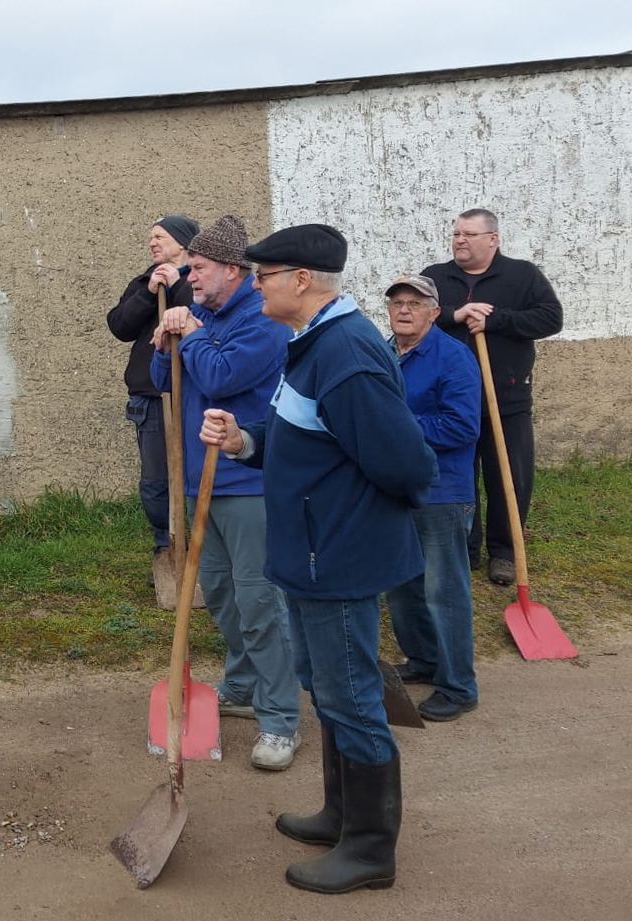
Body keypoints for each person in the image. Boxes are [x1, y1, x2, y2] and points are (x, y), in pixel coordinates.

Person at [199, 224, 436, 894]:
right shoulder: (313, 343)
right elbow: (307, 432)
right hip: (311, 553)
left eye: (263, 274)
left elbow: (407, 463)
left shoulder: (347, 354)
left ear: (301, 281)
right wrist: (247, 438)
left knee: (352, 694)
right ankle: (341, 813)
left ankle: (369, 849)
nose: (253, 284)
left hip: (335, 557)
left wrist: (350, 525)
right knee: (326, 685)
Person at [149, 215, 298, 770]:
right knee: (218, 589)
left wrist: (190, 334)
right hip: (197, 481)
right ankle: (242, 681)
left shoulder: (262, 321)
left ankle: (281, 717)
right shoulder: (201, 315)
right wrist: (166, 344)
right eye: (190, 268)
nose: (190, 276)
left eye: (201, 268)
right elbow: (161, 383)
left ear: (233, 270)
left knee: (260, 600)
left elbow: (221, 376)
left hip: (247, 482)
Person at [423, 208, 562, 585]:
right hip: (448, 403)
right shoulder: (435, 277)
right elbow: (414, 314)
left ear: (492, 239)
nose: (459, 240)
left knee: (509, 478)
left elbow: (551, 318)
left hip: (506, 397)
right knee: (457, 476)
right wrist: (455, 314)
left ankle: (503, 552)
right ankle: (464, 549)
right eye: (455, 234)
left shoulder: (521, 276)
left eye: (468, 234)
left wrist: (496, 319)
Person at [382, 274, 482, 722]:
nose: (404, 309)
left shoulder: (453, 357)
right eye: (397, 302)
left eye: (415, 303)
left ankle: (459, 686)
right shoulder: (385, 353)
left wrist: (399, 426)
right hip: (394, 488)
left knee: (444, 591)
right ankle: (424, 659)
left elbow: (462, 426)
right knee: (402, 585)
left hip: (442, 490)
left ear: (434, 312)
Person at [106, 214, 198, 572]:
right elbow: (119, 326)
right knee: (157, 481)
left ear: (182, 242)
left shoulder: (203, 280)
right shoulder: (144, 280)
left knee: (196, 473)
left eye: (160, 236)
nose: (152, 242)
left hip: (194, 393)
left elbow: (210, 315)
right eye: (151, 237)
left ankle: (206, 548)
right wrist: (149, 293)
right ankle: (169, 546)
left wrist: (179, 287)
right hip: (152, 397)